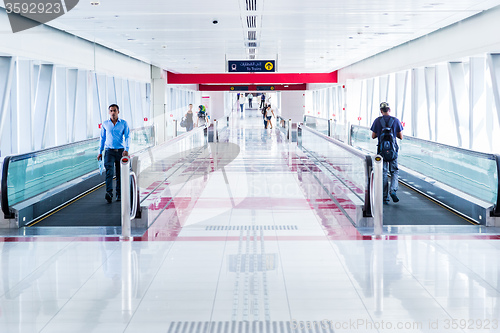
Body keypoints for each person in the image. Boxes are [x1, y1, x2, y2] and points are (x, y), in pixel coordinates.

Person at [370, 102, 404, 204]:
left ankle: (385, 197)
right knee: (394, 171)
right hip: (393, 151)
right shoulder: (396, 120)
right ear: (389, 110)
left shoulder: (377, 121)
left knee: (384, 173)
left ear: (381, 111)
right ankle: (393, 191)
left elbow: (373, 136)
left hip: (381, 151)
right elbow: (401, 137)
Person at [97, 104, 130, 203]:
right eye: (111, 111)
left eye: (114, 111)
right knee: (109, 173)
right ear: (109, 112)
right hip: (109, 151)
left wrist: (127, 149)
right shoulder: (105, 124)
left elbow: (128, 137)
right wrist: (100, 151)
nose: (113, 113)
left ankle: (119, 194)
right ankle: (109, 193)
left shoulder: (123, 123)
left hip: (120, 152)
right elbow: (102, 138)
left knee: (120, 174)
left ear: (118, 112)